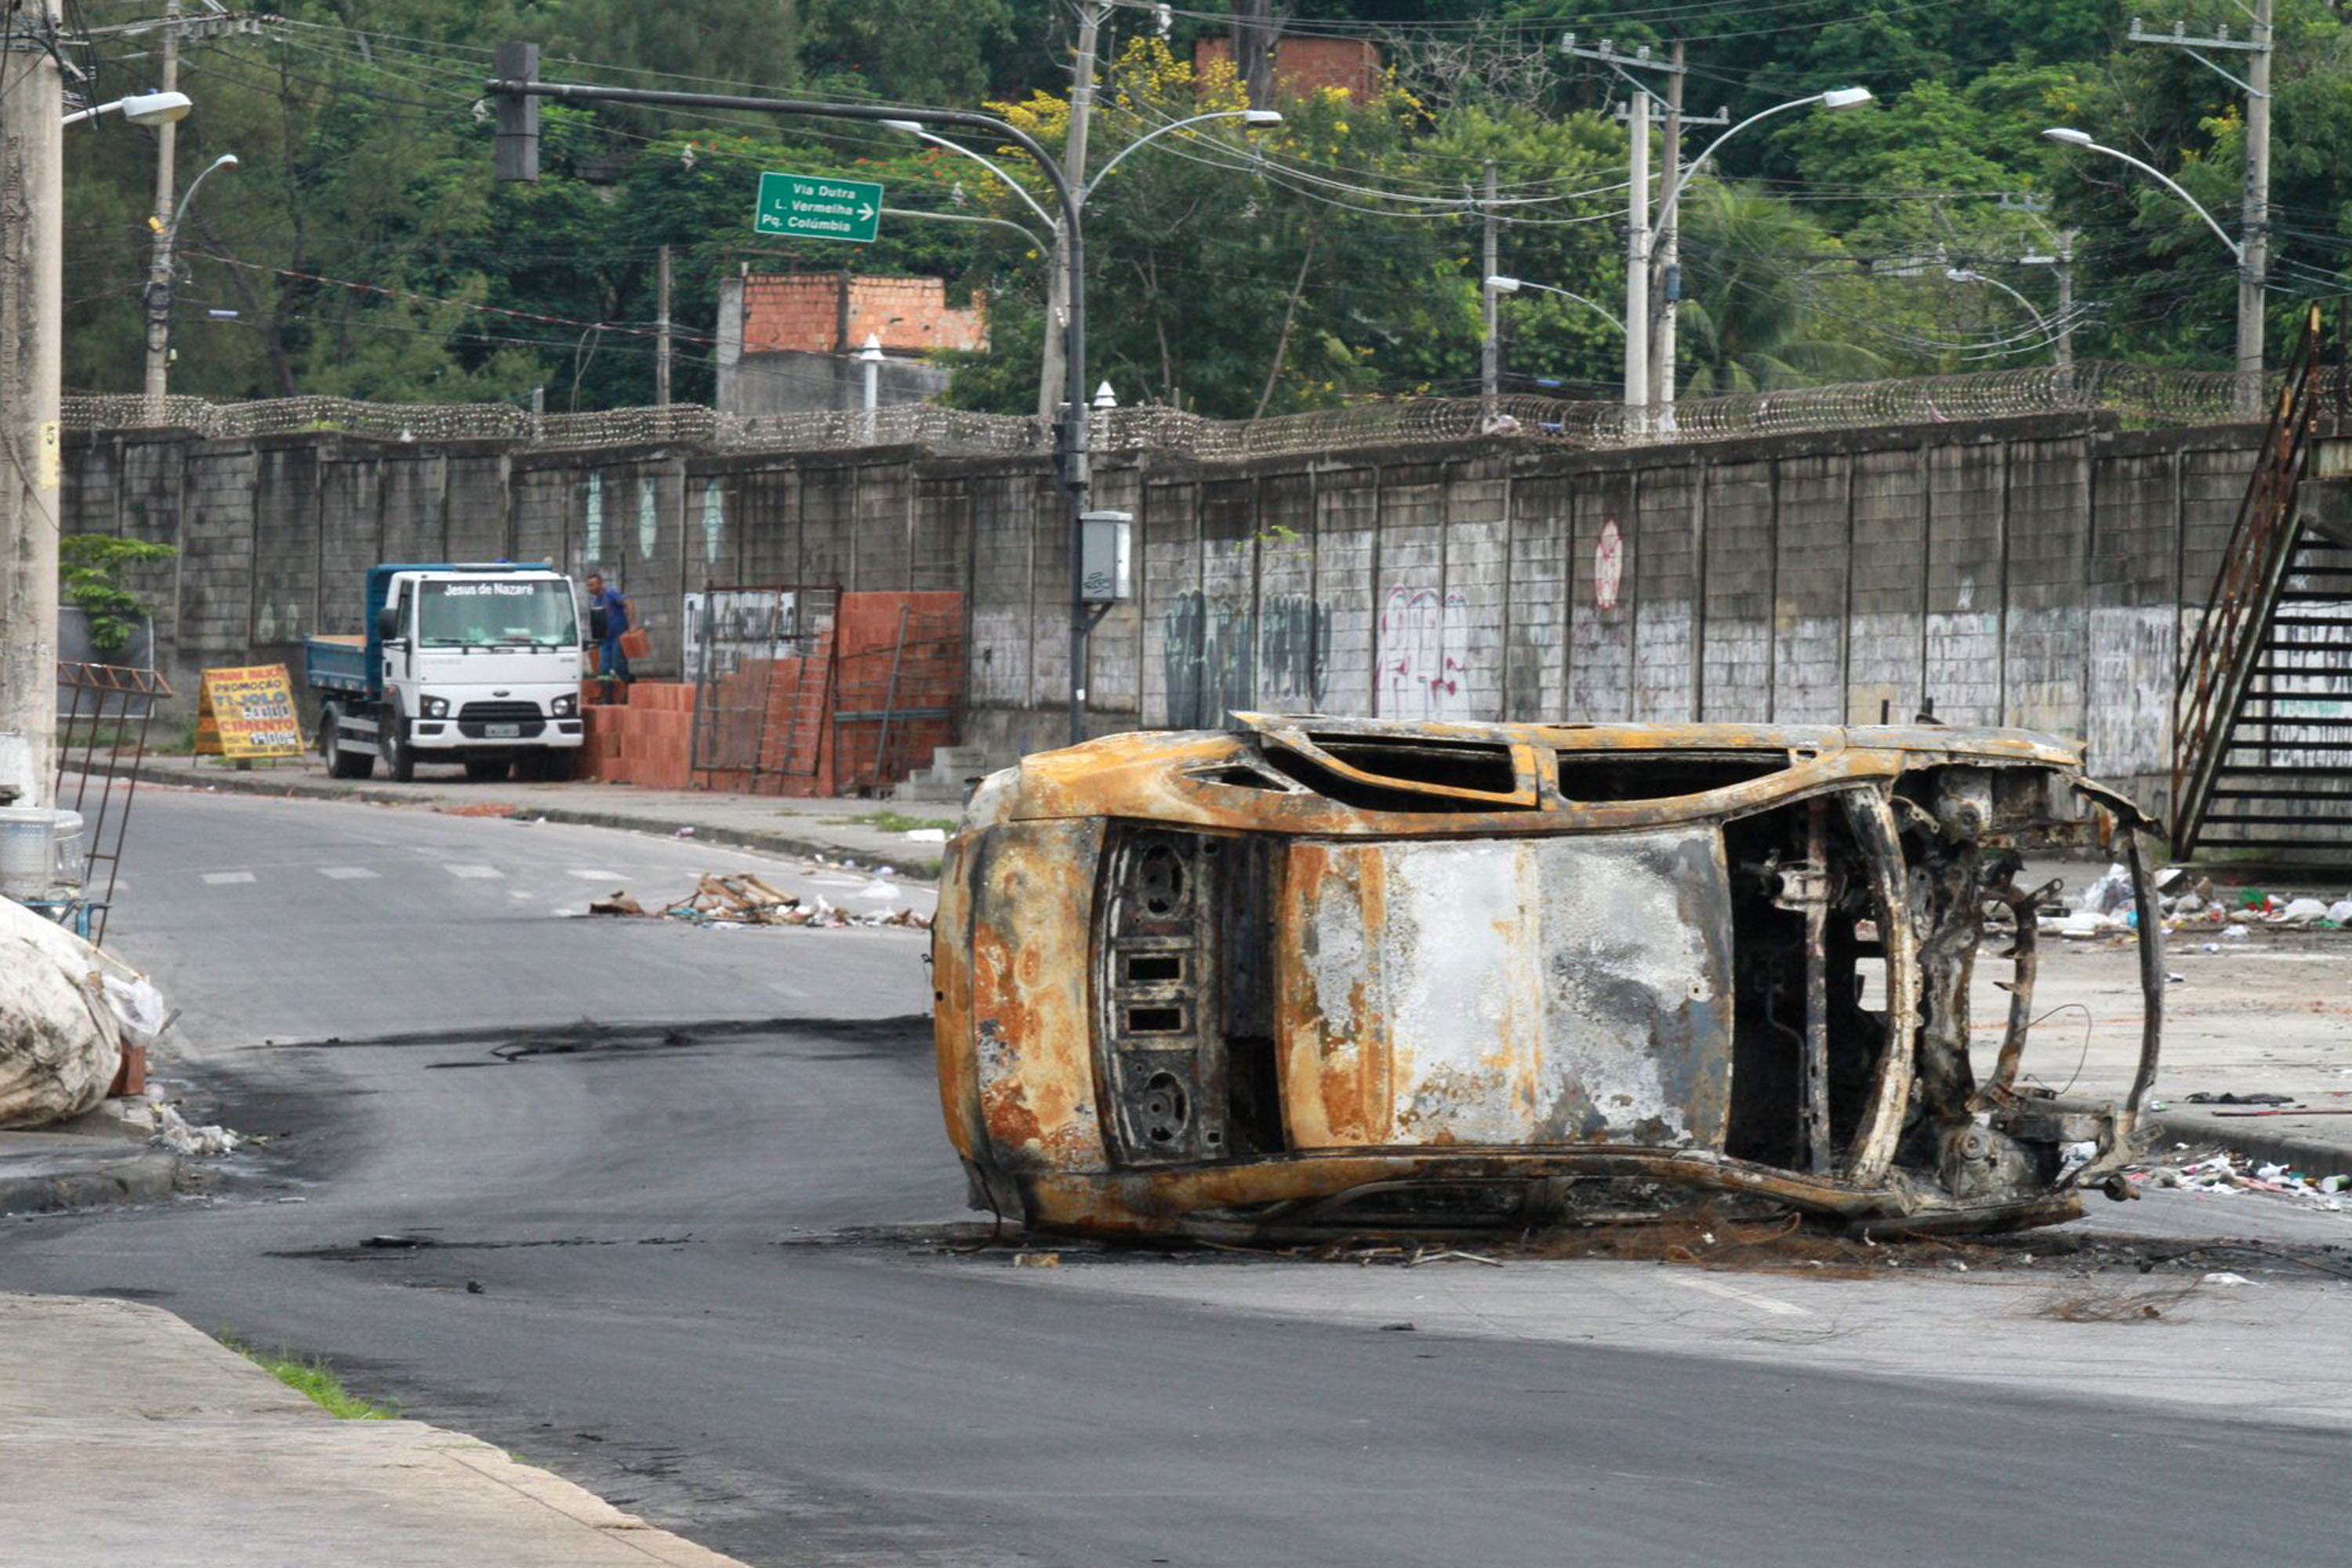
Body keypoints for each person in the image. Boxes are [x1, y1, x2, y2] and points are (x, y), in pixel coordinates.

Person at [584, 571, 632, 683]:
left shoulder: (611, 594)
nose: (589, 588)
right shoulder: (596, 601)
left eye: (592, 585)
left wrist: (632, 626)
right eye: (588, 585)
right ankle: (607, 694)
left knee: (618, 664)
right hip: (605, 639)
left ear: (600, 584)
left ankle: (627, 687)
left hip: (618, 636)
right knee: (604, 668)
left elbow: (628, 603)